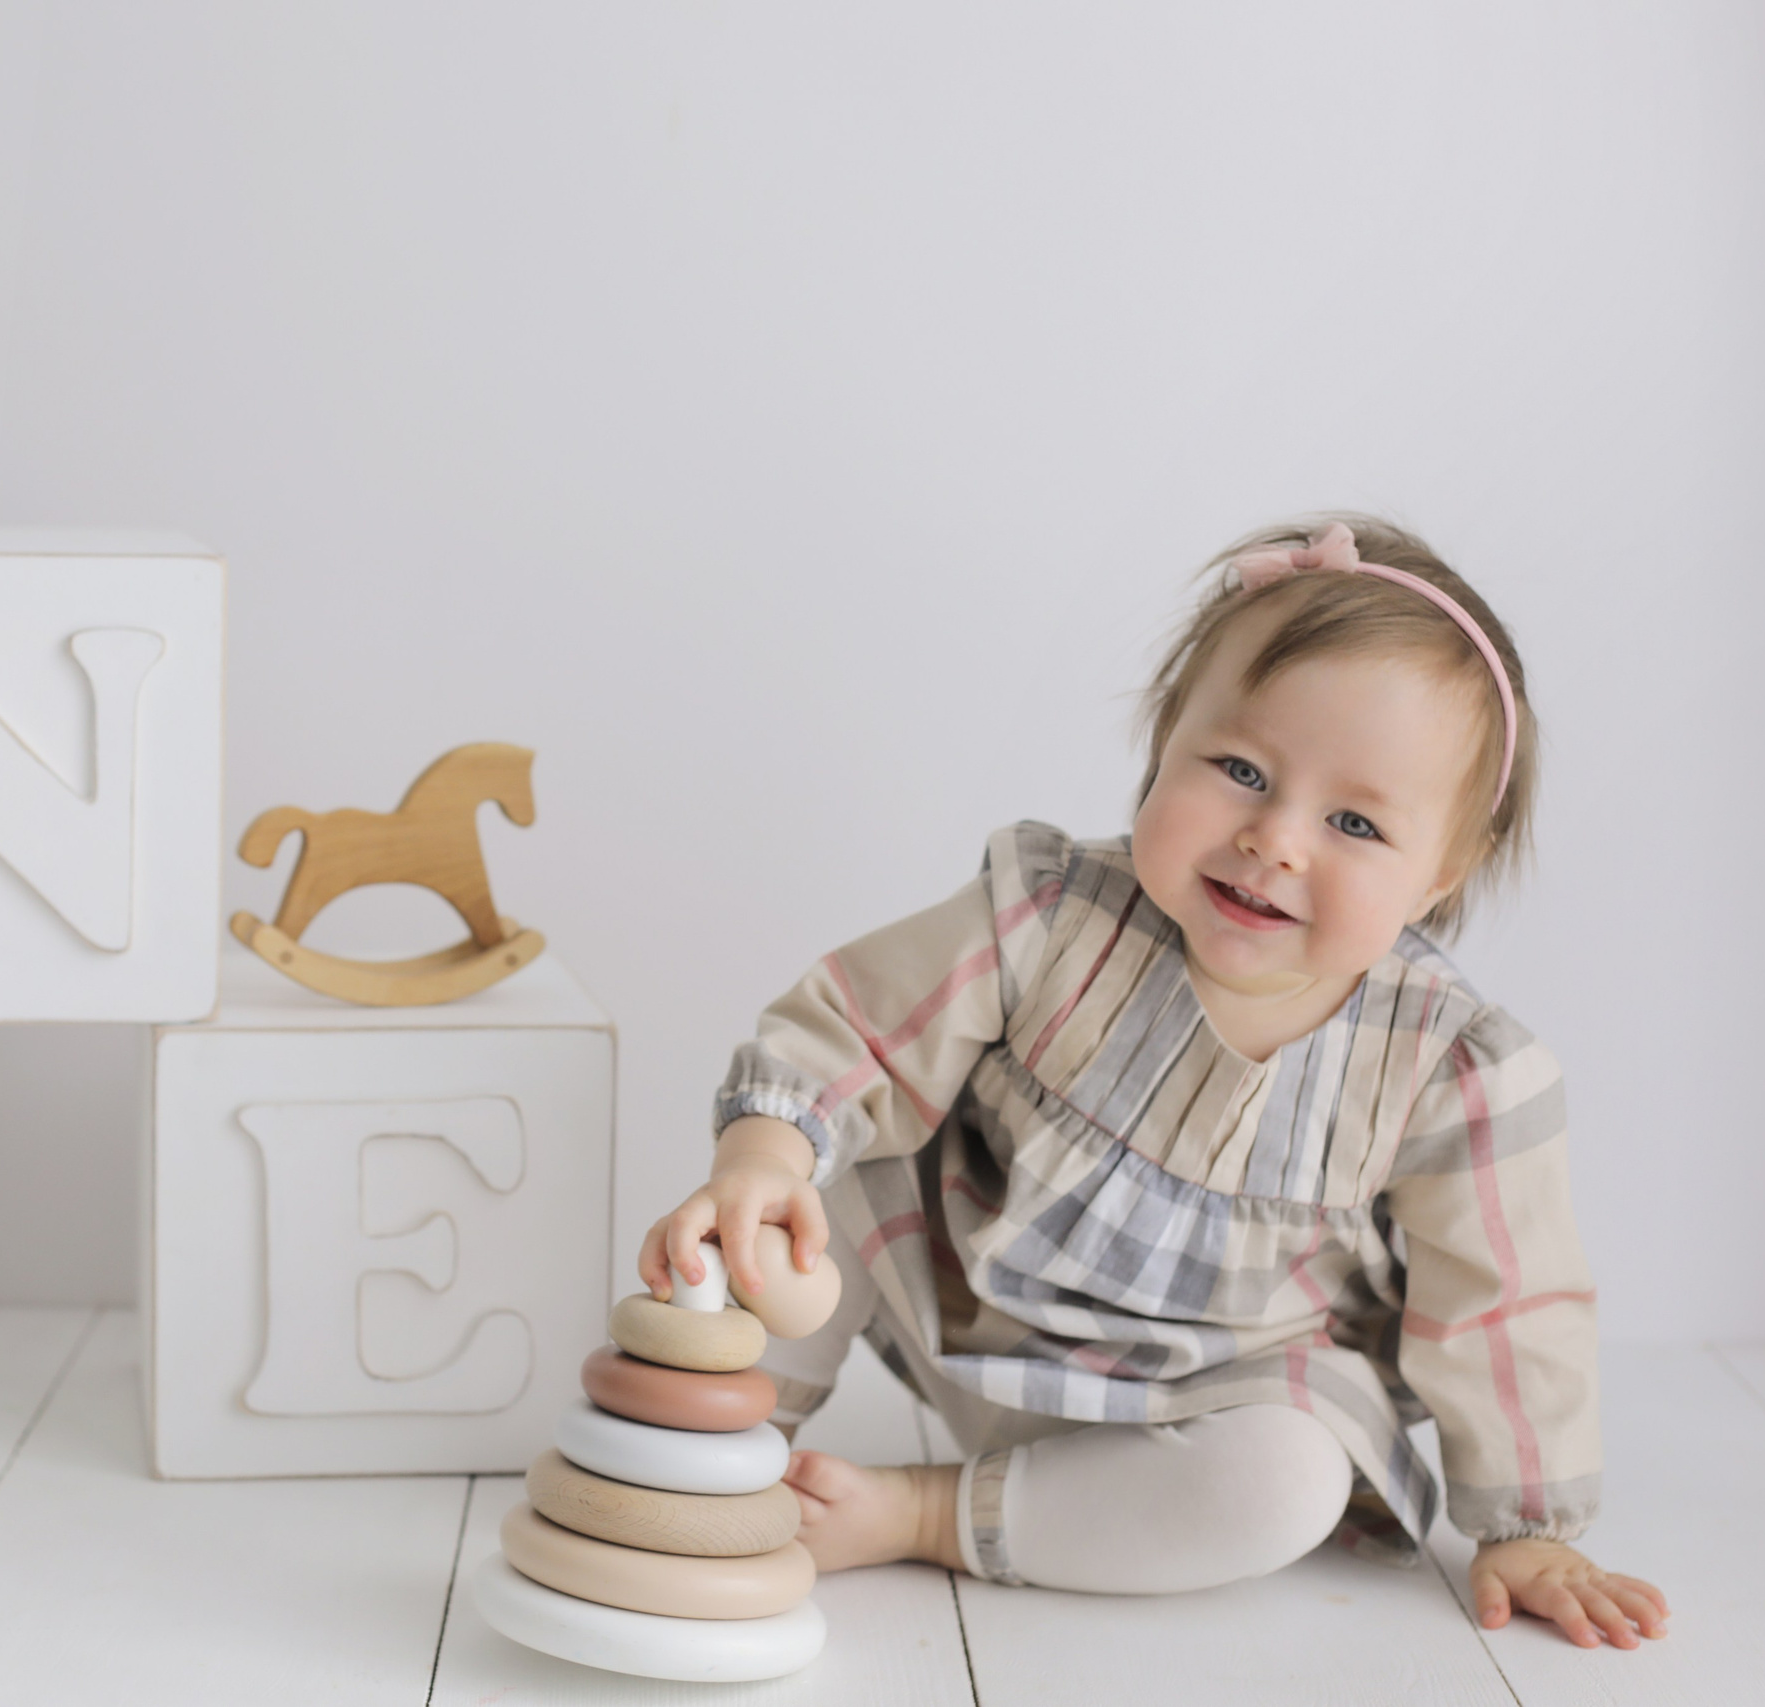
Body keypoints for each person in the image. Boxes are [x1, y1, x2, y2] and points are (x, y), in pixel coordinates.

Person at [641, 516, 1669, 1649]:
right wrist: (764, 1153)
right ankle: (709, 1437)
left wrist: (1526, 1522)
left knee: (1290, 1480)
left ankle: (931, 1514)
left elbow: (1504, 1302)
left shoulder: (1450, 1068)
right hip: (961, 1305)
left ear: (1442, 873)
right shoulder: (1048, 916)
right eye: (1238, 770)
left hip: (1206, 1404)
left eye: (1353, 822)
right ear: (1163, 737)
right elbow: (863, 1032)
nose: (1273, 839)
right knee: (808, 1186)